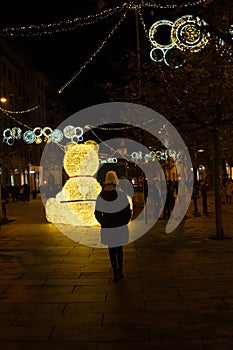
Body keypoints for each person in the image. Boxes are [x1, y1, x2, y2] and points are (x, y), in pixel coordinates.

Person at [94, 171, 132, 282]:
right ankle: (120, 270)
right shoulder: (121, 195)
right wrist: (124, 221)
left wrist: (103, 222)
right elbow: (127, 210)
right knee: (119, 249)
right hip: (119, 226)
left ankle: (115, 271)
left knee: (111, 249)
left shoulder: (101, 196)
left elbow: (97, 213)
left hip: (108, 226)